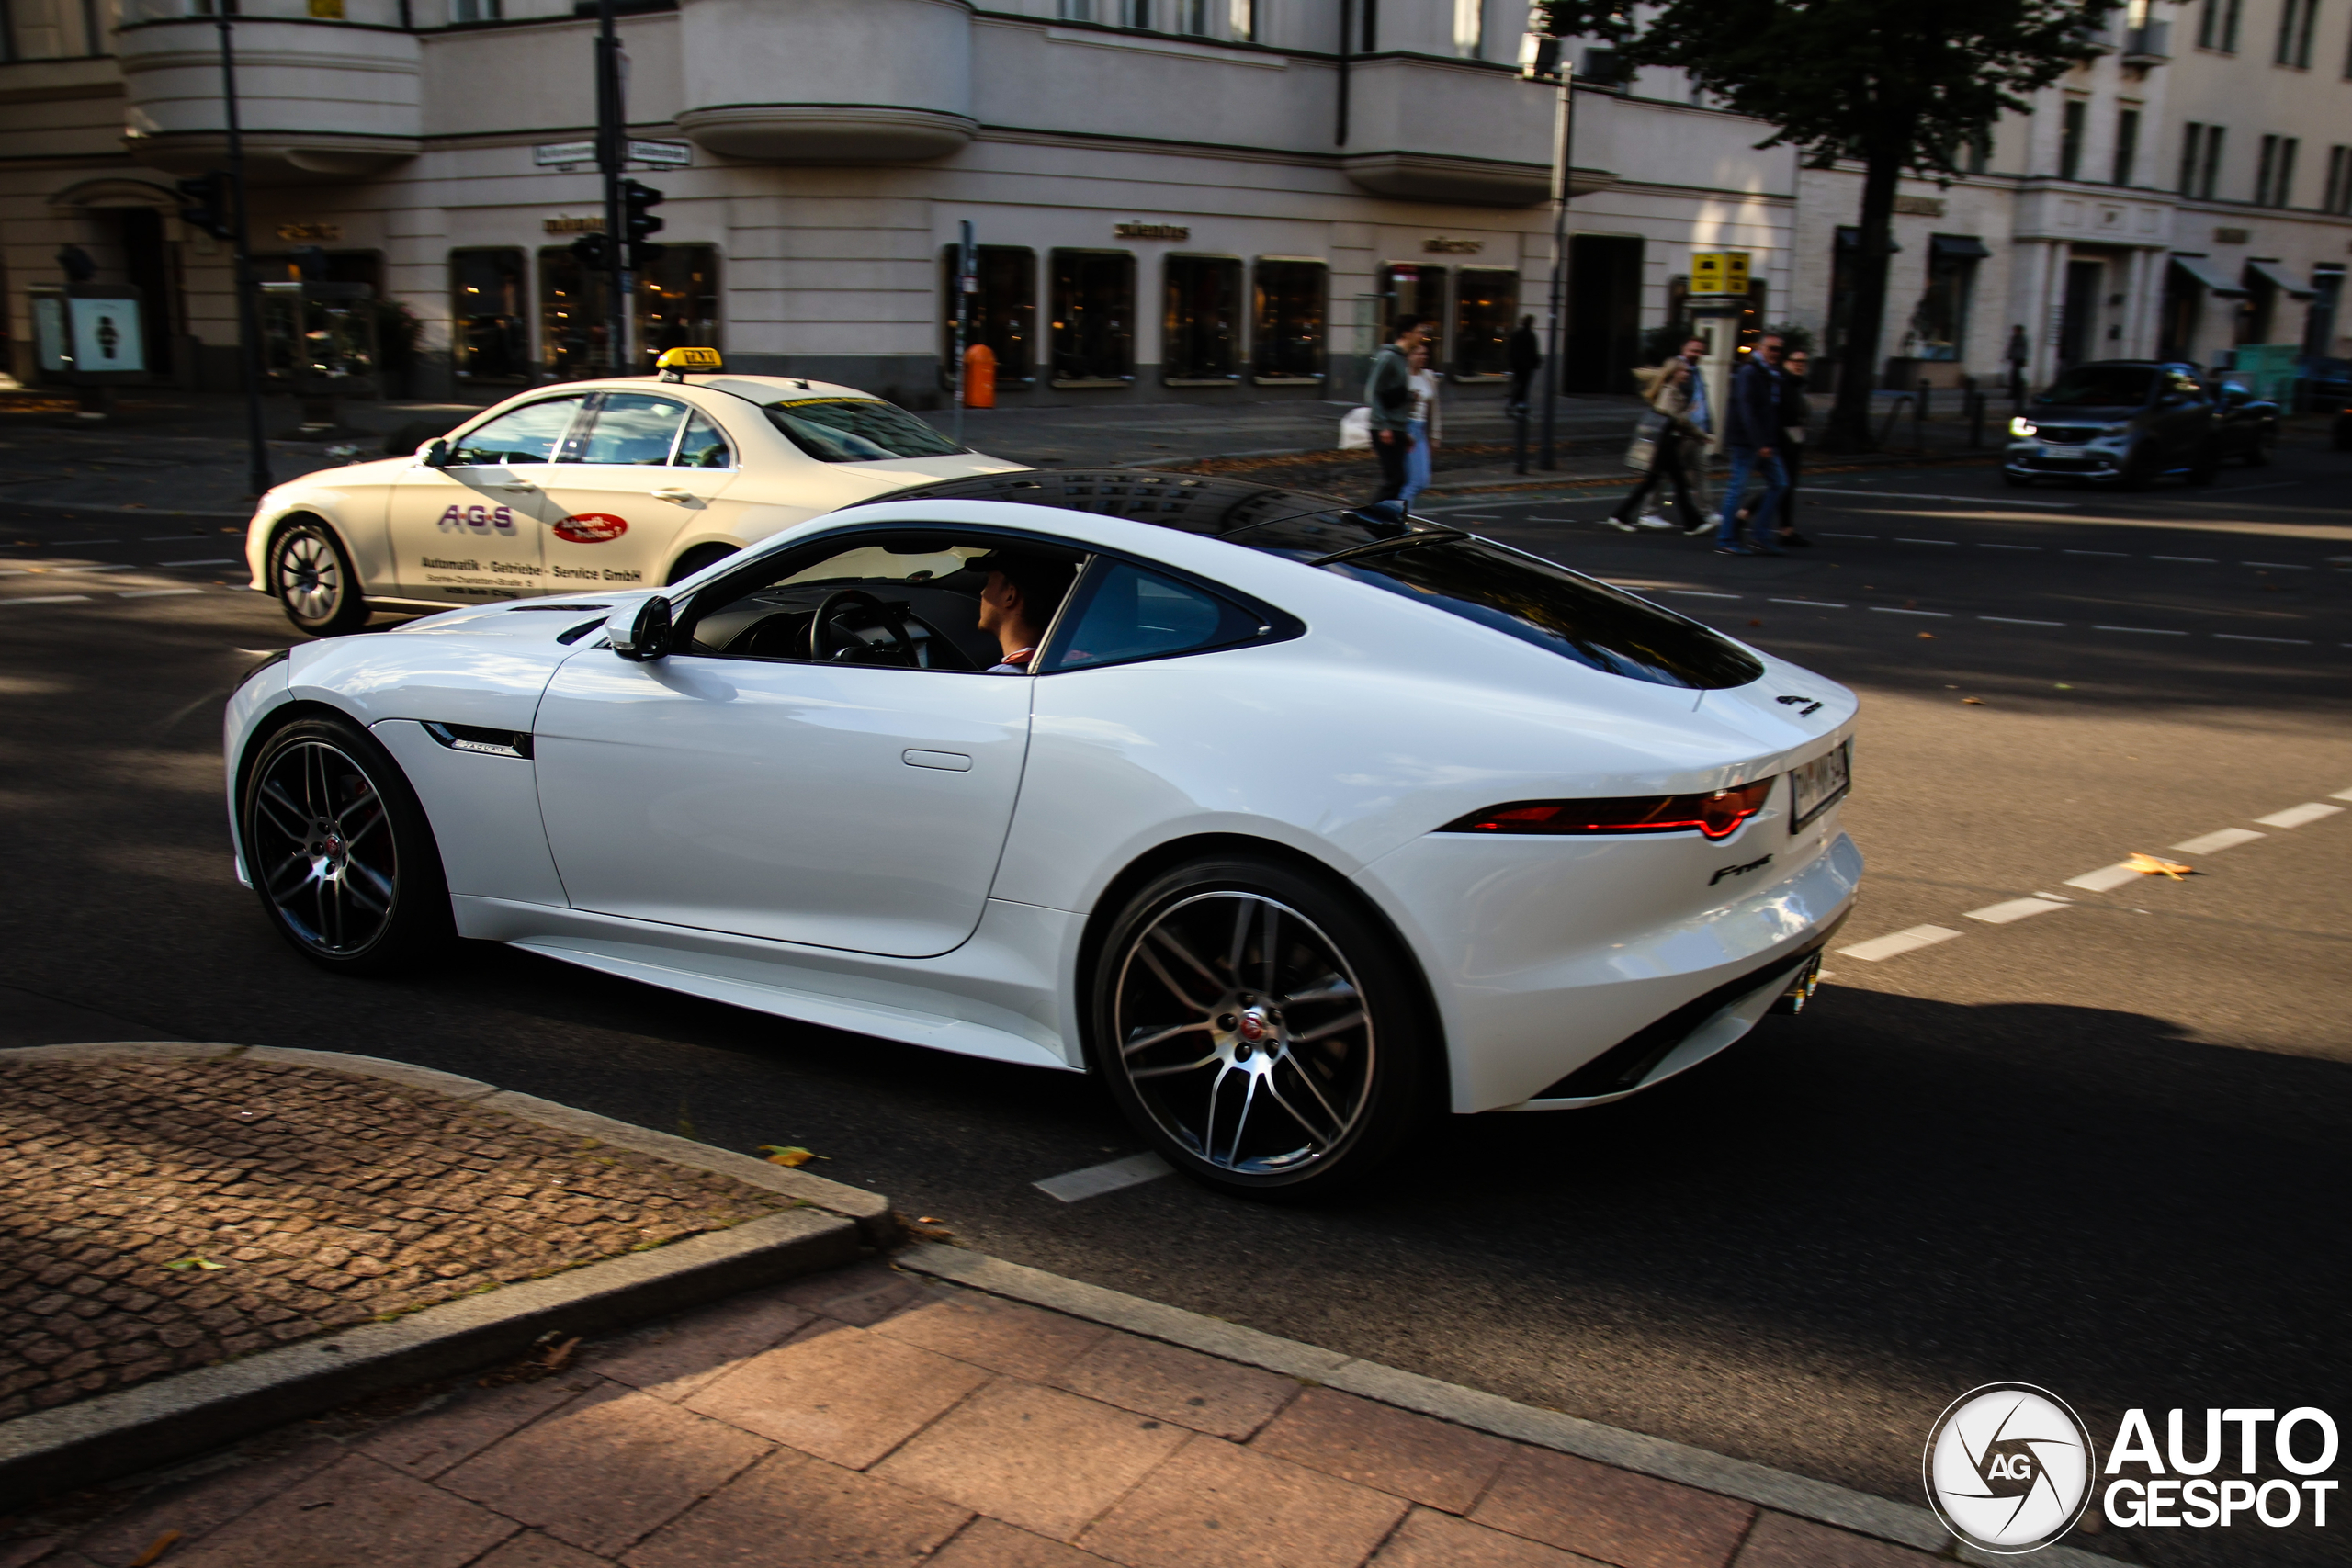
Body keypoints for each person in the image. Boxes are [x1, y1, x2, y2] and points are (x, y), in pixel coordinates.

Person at [1607, 339, 1710, 532]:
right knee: (1676, 483)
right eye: (1684, 371)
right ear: (1674, 373)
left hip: (1665, 442)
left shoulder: (1670, 390)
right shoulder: (1670, 392)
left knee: (1656, 482)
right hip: (1665, 443)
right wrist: (1698, 433)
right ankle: (1693, 523)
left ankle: (1620, 515)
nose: (1687, 374)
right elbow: (1677, 420)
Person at [1715, 333, 1789, 556]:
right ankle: (1727, 539)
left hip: (1763, 440)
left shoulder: (1770, 374)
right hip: (1748, 441)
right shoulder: (1750, 372)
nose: (1775, 353)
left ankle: (1760, 536)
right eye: (1771, 348)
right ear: (1761, 349)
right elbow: (1747, 410)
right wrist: (1760, 442)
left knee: (1780, 483)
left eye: (1778, 349)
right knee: (1737, 489)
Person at [970, 550, 1074, 673]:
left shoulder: (996, 682)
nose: (982, 592)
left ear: (1010, 595)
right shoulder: (1070, 666)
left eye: (988, 582)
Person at [1364, 315, 1426, 503]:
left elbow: (1394, 397)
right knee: (1394, 479)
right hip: (1385, 428)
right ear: (1406, 333)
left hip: (1397, 427)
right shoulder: (1388, 357)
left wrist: (1404, 430)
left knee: (1400, 480)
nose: (1422, 337)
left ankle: (1385, 521)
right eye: (1418, 333)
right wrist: (1383, 426)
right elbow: (1372, 391)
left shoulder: (1402, 359)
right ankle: (1366, 518)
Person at [1401, 339, 1442, 509]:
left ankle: (1397, 512)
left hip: (1422, 430)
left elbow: (1435, 409)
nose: (1422, 357)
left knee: (1422, 481)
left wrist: (1435, 435)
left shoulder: (1428, 377)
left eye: (1425, 354)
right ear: (1409, 356)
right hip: (1406, 429)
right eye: (1418, 353)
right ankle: (1401, 517)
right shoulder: (1402, 376)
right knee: (1415, 481)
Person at [1506, 315, 1544, 415]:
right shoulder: (1531, 335)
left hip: (1517, 365)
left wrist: (1511, 363)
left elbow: (1511, 350)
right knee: (1524, 385)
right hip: (1527, 365)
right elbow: (1533, 351)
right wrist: (1537, 362)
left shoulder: (1516, 334)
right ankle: (1519, 404)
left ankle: (1514, 404)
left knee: (1518, 384)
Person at [2005, 324, 2030, 404]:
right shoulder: (2015, 338)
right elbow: (2011, 348)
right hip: (2015, 359)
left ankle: (2017, 392)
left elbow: (2023, 350)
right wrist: (2009, 355)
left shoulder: (2022, 339)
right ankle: (2015, 392)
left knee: (2016, 376)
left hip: (2018, 359)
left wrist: (2023, 359)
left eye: (2016, 330)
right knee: (2014, 376)